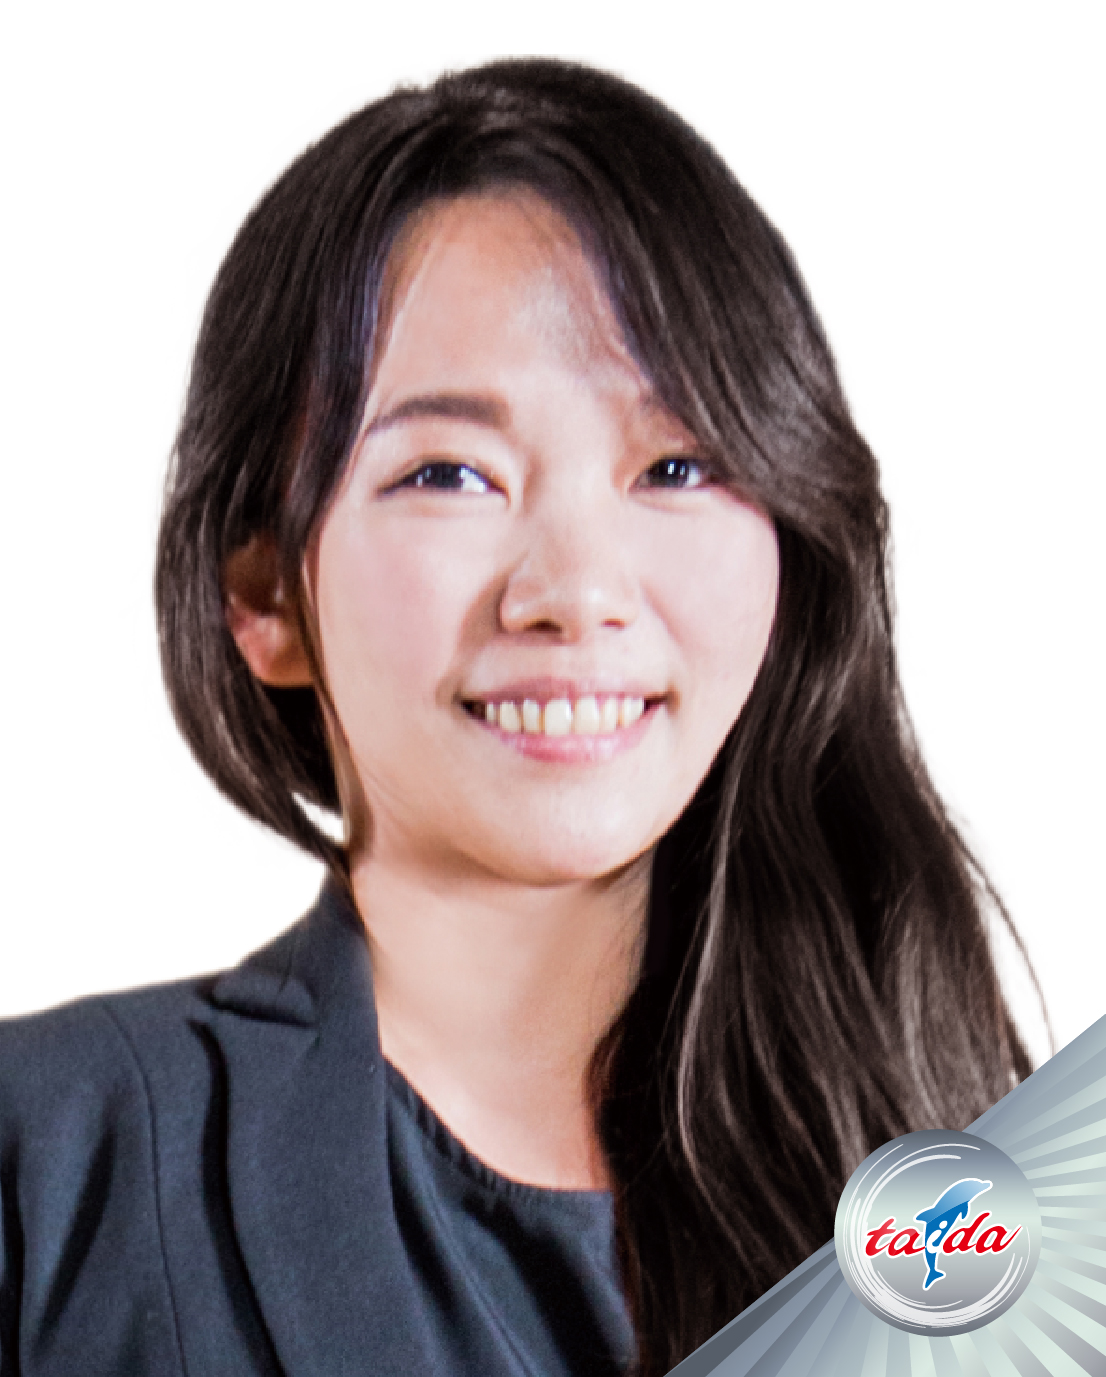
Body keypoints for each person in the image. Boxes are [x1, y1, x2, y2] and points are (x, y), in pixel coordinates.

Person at [0, 58, 1032, 1377]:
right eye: (449, 472)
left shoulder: (978, 1190)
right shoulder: (52, 1163)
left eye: (676, 464)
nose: (576, 591)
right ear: (265, 591)